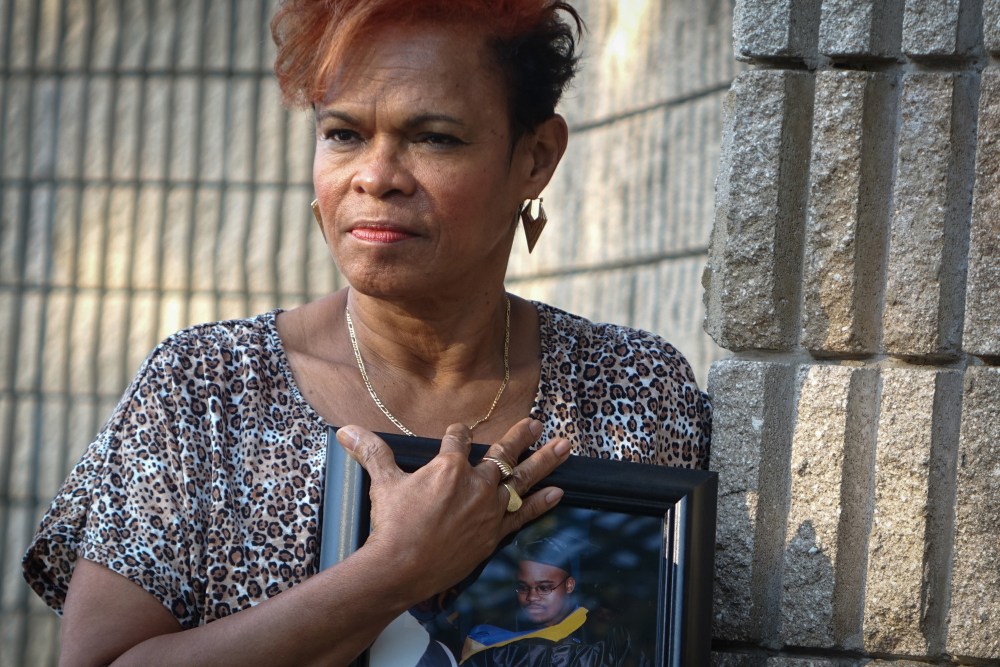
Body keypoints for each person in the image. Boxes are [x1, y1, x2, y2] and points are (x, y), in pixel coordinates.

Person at [21, 0, 711, 665]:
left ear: (535, 158)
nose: (375, 177)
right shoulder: (205, 390)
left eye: (434, 136)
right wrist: (394, 572)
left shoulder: (636, 390)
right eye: (343, 133)